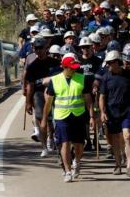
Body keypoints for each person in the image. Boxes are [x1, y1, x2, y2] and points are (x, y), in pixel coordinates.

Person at [41, 54, 95, 182]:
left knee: (79, 145)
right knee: (65, 143)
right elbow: (48, 103)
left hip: (78, 115)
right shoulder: (54, 81)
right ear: (64, 67)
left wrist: (92, 116)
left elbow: (88, 100)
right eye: (71, 68)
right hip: (61, 117)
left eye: (75, 67)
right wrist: (44, 119)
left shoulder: (82, 79)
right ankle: (68, 171)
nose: (74, 70)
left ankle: (77, 160)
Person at [99, 50, 130, 176]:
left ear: (117, 62)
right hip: (112, 112)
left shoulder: (129, 75)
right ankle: (117, 163)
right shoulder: (106, 77)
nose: (109, 65)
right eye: (108, 63)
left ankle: (129, 165)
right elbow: (102, 97)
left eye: (110, 63)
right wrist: (103, 112)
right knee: (115, 138)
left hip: (127, 110)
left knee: (127, 136)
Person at [25, 37, 61, 157]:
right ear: (34, 49)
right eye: (37, 48)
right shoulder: (32, 67)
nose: (39, 51)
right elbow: (30, 86)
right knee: (41, 119)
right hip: (39, 94)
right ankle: (44, 146)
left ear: (46, 49)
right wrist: (28, 102)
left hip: (55, 93)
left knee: (54, 120)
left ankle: (53, 138)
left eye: (42, 48)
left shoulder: (55, 63)